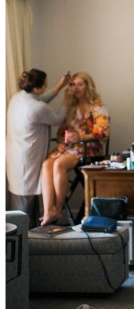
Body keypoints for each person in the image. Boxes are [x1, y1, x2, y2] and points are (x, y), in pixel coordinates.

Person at [40, 72, 110, 225]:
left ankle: (58, 209)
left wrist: (81, 137)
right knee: (46, 164)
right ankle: (47, 211)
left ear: (87, 86)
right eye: (73, 84)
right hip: (68, 147)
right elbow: (61, 132)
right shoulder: (71, 107)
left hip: (89, 148)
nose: (76, 87)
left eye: (80, 84)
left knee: (59, 164)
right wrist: (60, 141)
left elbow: (103, 131)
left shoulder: (97, 106)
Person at [6, 68, 71, 228]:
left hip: (15, 154)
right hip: (27, 157)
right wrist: (66, 102)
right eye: (45, 84)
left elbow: (41, 99)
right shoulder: (36, 108)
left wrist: (60, 85)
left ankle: (28, 235)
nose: (47, 86)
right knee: (24, 207)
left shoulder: (18, 98)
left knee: (20, 198)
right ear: (36, 87)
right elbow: (56, 119)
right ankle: (25, 236)